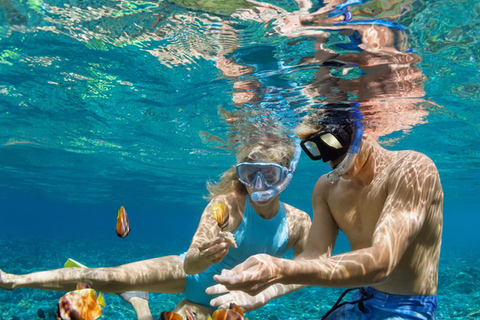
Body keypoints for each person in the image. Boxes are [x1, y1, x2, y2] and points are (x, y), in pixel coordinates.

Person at [0, 133, 311, 320]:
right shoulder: (224, 206)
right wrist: (203, 256)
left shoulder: (298, 222)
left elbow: (309, 270)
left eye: (268, 175)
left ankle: (140, 305)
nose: (258, 184)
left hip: (222, 306)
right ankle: (14, 280)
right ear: (240, 173)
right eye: (249, 173)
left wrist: (264, 292)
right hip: (188, 276)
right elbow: (190, 262)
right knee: (102, 277)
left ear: (286, 175)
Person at [208, 110, 443, 320]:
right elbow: (315, 256)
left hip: (408, 308)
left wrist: (280, 270)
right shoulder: (327, 188)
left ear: (363, 129)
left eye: (335, 143)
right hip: (362, 299)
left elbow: (382, 263)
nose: (331, 162)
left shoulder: (413, 168)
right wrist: (267, 291)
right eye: (321, 150)